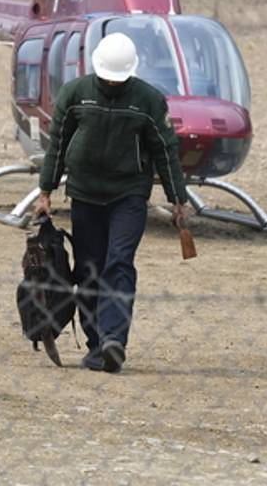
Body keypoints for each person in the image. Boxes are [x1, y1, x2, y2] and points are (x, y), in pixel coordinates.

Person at [33, 32, 191, 374]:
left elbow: (165, 151)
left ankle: (113, 340)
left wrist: (179, 199)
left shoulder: (149, 101)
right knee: (88, 268)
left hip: (128, 195)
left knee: (118, 263)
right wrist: (45, 191)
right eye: (106, 78)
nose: (111, 84)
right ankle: (95, 346)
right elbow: (57, 145)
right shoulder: (75, 95)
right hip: (85, 195)